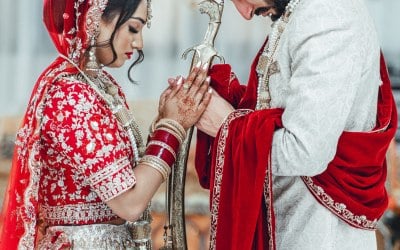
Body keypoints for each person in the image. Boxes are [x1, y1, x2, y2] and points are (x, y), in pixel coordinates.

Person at [0, 0, 211, 248]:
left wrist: (166, 122)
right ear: (94, 18)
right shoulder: (70, 96)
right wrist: (173, 126)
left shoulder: (97, 87)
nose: (139, 43)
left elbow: (128, 177)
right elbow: (130, 202)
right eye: (133, 28)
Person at [193, 0, 398, 249]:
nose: (246, 13)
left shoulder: (328, 14)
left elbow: (305, 151)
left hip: (319, 234)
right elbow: (278, 112)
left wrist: (226, 124)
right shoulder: (300, 11)